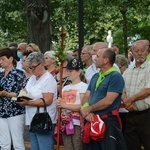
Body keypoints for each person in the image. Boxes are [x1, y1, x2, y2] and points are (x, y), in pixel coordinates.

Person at [81, 48, 127, 150]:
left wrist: (89, 109)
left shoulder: (115, 76)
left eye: (97, 56)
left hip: (108, 122)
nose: (94, 59)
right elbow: (86, 96)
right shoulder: (95, 76)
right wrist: (86, 109)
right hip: (92, 120)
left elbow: (108, 101)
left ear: (106, 60)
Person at [17, 52, 58, 150]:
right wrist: (23, 95)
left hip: (44, 119)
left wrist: (28, 103)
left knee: (44, 146)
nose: (31, 70)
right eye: (30, 67)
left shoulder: (48, 78)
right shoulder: (32, 78)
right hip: (32, 118)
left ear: (41, 63)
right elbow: (28, 92)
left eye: (33, 67)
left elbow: (47, 100)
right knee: (34, 147)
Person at [122, 40, 150, 150]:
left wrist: (129, 100)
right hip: (131, 115)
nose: (139, 53)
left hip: (147, 115)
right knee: (131, 145)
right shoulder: (127, 71)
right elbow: (121, 89)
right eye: (136, 50)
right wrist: (127, 103)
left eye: (142, 50)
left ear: (148, 51)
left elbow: (148, 90)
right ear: (132, 52)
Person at [56, 58, 88, 150]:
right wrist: (58, 103)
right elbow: (60, 105)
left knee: (77, 147)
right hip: (65, 122)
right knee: (68, 147)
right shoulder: (65, 88)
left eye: (71, 71)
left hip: (77, 123)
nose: (68, 73)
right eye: (67, 71)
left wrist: (64, 105)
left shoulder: (83, 86)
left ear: (78, 72)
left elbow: (82, 106)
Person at [0, 47, 27, 150]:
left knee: (18, 143)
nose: (1, 62)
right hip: (2, 111)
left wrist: (7, 94)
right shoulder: (0, 75)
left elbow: (23, 96)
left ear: (11, 59)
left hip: (16, 112)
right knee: (4, 143)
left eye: (3, 59)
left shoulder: (19, 74)